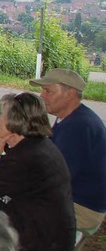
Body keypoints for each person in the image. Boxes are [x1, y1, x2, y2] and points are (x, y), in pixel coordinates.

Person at [0, 92, 76, 251]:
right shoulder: (38, 145)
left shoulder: (22, 158)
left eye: (1, 115)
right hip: (55, 241)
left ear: (14, 122)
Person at [30, 68, 106, 234]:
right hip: (72, 199)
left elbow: (56, 177)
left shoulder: (78, 126)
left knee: (11, 214)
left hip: (81, 208)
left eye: (48, 91)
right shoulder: (69, 118)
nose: (42, 96)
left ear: (70, 93)